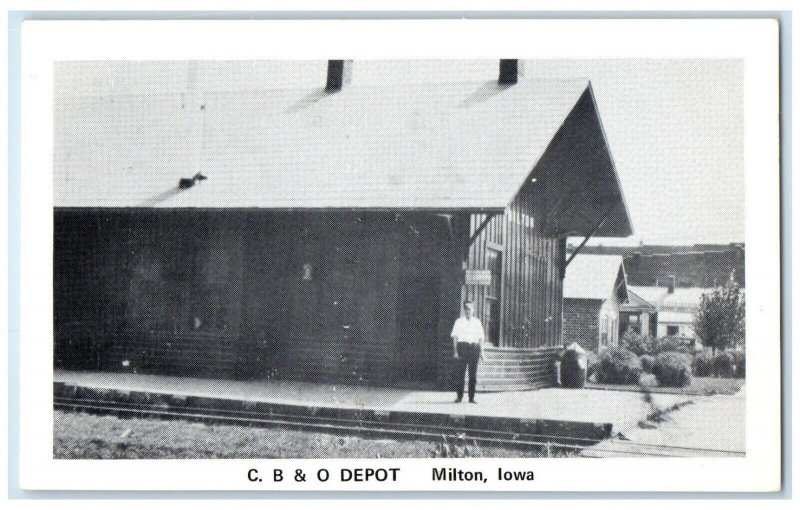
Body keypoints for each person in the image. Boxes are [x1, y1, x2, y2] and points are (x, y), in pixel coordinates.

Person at [451, 300, 485, 403]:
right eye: (466, 309)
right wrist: (455, 352)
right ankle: (459, 396)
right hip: (463, 348)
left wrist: (482, 352)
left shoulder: (477, 322)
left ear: (473, 310)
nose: (468, 311)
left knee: (473, 375)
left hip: (474, 349)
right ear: (464, 310)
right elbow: (455, 338)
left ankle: (471, 398)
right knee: (460, 373)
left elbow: (481, 338)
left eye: (469, 309)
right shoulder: (459, 321)